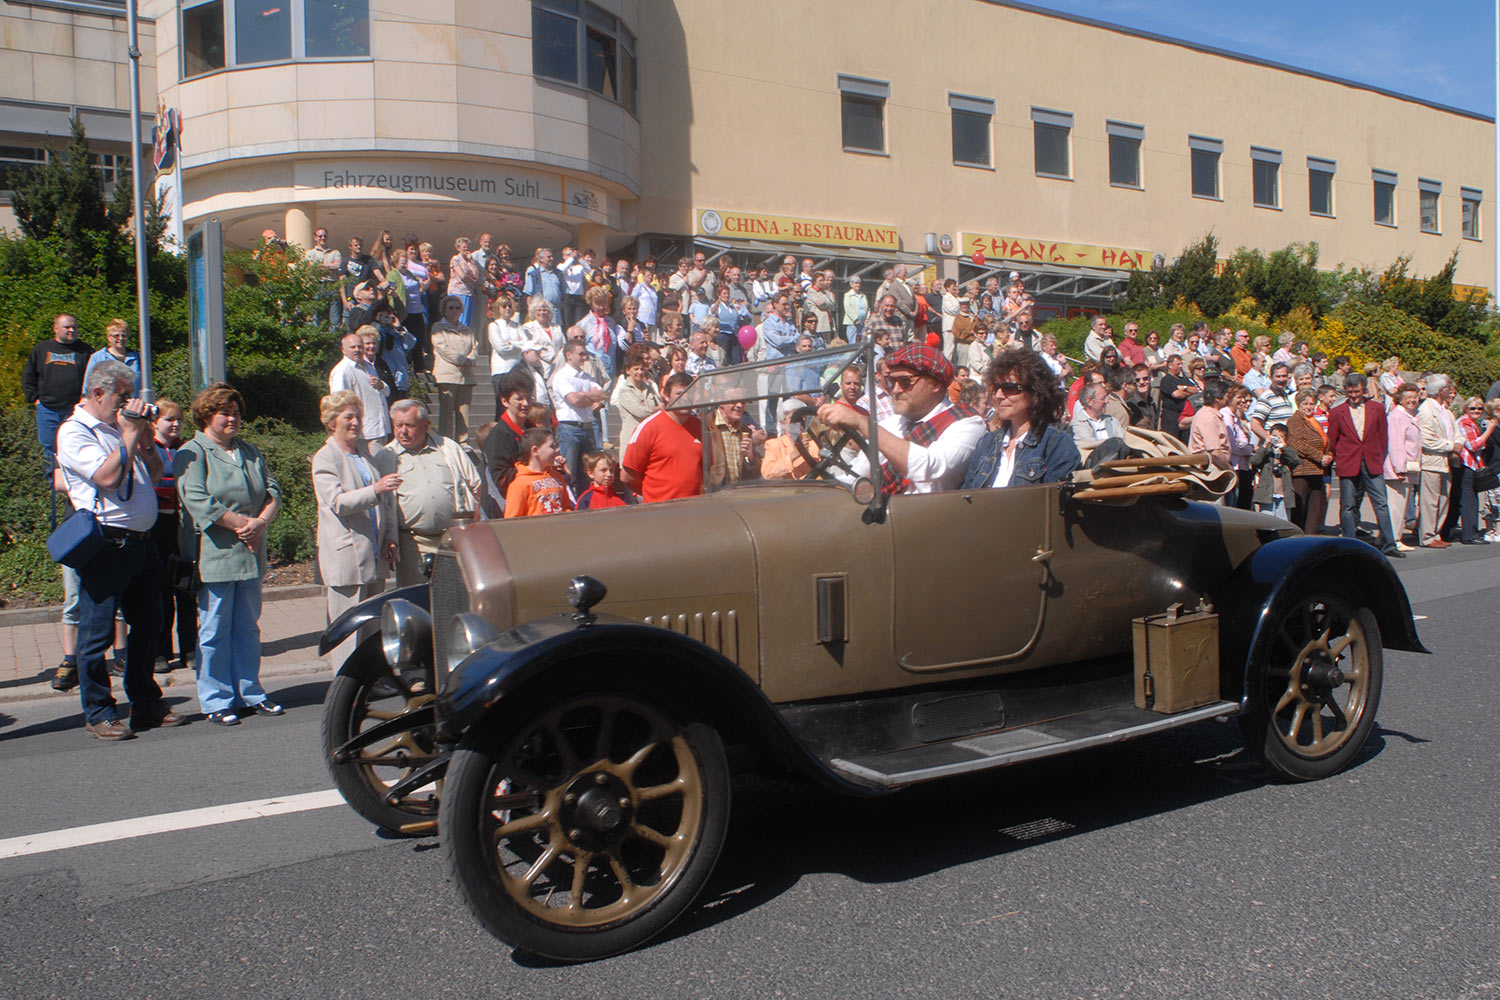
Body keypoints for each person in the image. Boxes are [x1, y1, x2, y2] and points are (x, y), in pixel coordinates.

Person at [55, 360, 180, 740]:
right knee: (97, 634)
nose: (127, 403)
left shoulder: (120, 427)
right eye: (122, 396)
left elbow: (155, 474)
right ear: (98, 393)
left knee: (149, 627)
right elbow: (108, 478)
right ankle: (98, 711)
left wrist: (142, 437)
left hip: (142, 543)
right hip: (108, 544)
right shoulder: (76, 431)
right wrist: (128, 433)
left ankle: (145, 703)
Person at [173, 383, 283, 726]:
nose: (233, 419)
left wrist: (261, 522)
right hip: (216, 552)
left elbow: (272, 488)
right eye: (226, 414)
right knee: (215, 628)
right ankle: (216, 698)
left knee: (247, 627)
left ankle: (250, 691)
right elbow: (197, 499)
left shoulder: (248, 450)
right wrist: (241, 524)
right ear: (207, 416)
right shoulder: (193, 452)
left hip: (251, 550)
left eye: (237, 413)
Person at [818, 344, 985, 494]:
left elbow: (929, 468)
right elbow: (855, 476)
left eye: (905, 381)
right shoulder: (892, 424)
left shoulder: (968, 423)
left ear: (935, 384)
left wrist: (863, 423)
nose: (895, 390)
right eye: (891, 381)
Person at [312, 391, 399, 666]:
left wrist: (390, 537)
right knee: (347, 628)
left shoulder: (365, 453)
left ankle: (371, 679)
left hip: (374, 552)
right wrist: (375, 489)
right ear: (331, 422)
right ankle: (345, 684)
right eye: (348, 417)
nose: (355, 422)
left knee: (373, 624)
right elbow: (337, 502)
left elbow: (385, 502)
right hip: (346, 556)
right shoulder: (325, 458)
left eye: (358, 417)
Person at [378, 399, 481, 584]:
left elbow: (475, 486)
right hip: (412, 544)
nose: (403, 431)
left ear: (425, 425)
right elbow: (380, 504)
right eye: (398, 425)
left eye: (409, 425)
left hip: (451, 540)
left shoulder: (448, 447)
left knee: (452, 595)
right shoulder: (385, 456)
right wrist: (387, 538)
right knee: (416, 599)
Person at [962, 348, 1079, 488]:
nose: (998, 395)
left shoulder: (1057, 445)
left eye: (1009, 388)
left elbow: (1054, 505)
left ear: (1036, 392)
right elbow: (966, 498)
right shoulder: (986, 444)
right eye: (995, 387)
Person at [1326, 373, 1402, 557]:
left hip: (1372, 461)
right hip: (1348, 461)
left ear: (1364, 390)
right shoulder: (1337, 412)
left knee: (1381, 504)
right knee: (1348, 505)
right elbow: (1332, 439)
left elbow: (1383, 436)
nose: (1353, 396)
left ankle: (1389, 544)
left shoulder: (1376, 408)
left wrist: (1377, 454)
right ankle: (1350, 543)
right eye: (1350, 392)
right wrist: (1340, 456)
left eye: (1357, 391)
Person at [150, 400, 196, 674]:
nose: (175, 424)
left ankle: (189, 649)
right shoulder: (148, 448)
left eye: (178, 419)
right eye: (169, 419)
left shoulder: (185, 449)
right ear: (155, 422)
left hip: (183, 526)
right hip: (157, 526)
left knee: (186, 589)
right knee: (161, 592)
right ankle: (161, 652)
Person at [623, 372, 703, 502]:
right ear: (665, 396)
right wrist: (653, 495)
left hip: (693, 509)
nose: (686, 397)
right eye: (679, 393)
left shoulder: (700, 427)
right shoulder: (649, 428)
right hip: (659, 512)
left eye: (690, 393)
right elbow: (627, 476)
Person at [23, 313, 93, 462]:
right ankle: (54, 482)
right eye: (67, 327)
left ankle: (71, 482)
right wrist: (35, 399)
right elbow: (29, 375)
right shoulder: (42, 349)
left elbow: (94, 378)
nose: (72, 330)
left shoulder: (85, 351)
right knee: (50, 449)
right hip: (48, 409)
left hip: (74, 410)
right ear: (55, 328)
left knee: (75, 446)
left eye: (74, 327)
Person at [550, 340, 607, 489]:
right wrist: (589, 397)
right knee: (570, 472)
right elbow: (574, 399)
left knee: (588, 472)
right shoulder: (562, 376)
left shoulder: (586, 377)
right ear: (569, 355)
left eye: (585, 354)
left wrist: (583, 396)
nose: (584, 357)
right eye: (581, 354)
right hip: (570, 428)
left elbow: (601, 395)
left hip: (588, 427)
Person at [1417, 375, 1461, 548]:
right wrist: (1451, 446)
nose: (1450, 390)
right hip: (1432, 462)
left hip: (1446, 461)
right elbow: (1426, 439)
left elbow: (1457, 432)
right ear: (1440, 390)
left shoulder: (1446, 410)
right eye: (1448, 387)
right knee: (1430, 501)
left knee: (1444, 498)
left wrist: (1458, 443)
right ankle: (1427, 536)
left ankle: (1436, 532)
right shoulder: (1427, 410)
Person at [430, 294, 481, 443]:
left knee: (464, 414)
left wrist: (470, 360)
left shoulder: (467, 329)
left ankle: (463, 442)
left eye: (457, 308)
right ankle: (445, 442)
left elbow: (475, 347)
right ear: (444, 310)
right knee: (446, 414)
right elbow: (442, 348)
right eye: (451, 308)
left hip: (466, 376)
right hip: (447, 375)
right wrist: (461, 360)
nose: (454, 310)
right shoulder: (438, 327)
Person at [329, 329, 391, 443]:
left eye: (359, 347)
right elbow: (339, 405)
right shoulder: (342, 371)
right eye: (352, 347)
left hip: (381, 428)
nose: (357, 350)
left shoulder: (367, 366)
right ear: (343, 350)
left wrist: (381, 385)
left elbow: (387, 392)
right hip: (364, 433)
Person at [1285, 388, 1331, 534]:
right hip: (1301, 471)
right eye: (1305, 404)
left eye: (1312, 403)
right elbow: (1297, 444)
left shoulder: (1314, 421)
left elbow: (1326, 442)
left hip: (1317, 471)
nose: (1309, 407)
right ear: (1299, 404)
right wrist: (1320, 457)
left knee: (1314, 511)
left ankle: (1311, 538)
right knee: (1300, 509)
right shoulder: (1294, 421)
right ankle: (1297, 539)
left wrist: (1329, 455)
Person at [1384, 382, 1422, 550]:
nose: (1412, 400)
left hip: (1409, 467)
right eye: (1408, 397)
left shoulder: (1411, 415)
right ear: (1400, 399)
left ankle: (1392, 537)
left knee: (1402, 504)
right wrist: (1399, 468)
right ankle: (1394, 539)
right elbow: (1396, 443)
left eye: (1415, 397)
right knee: (1396, 506)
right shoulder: (1397, 416)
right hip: (1399, 468)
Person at [504, 426, 574, 517]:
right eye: (552, 446)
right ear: (535, 450)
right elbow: (511, 520)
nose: (557, 449)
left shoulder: (558, 477)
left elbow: (567, 507)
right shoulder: (519, 484)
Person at [1455, 396, 1498, 544]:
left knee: (1472, 500)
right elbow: (1473, 445)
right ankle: (1469, 535)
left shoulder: (1473, 423)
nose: (1476, 411)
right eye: (1472, 408)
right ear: (1466, 408)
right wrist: (1490, 430)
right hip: (1466, 465)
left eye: (1479, 408)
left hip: (1473, 464)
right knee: (1469, 501)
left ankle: (1471, 533)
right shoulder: (1465, 422)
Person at [612, 343, 663, 445]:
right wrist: (658, 408)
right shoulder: (625, 390)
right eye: (636, 369)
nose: (639, 372)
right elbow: (641, 412)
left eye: (642, 369)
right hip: (632, 437)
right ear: (628, 370)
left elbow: (659, 404)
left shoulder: (650, 388)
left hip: (650, 436)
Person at [1249, 424, 1301, 519]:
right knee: (1267, 522)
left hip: (1283, 494)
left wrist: (1284, 447)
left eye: (1280, 437)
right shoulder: (1266, 452)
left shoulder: (1287, 452)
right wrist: (1265, 445)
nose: (1276, 439)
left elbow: (1296, 461)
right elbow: (1254, 461)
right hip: (1267, 494)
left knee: (1283, 522)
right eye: (1274, 436)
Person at [83, 318, 142, 395]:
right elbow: (88, 384)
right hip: (107, 404)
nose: (120, 338)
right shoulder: (97, 357)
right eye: (116, 335)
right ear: (109, 337)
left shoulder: (137, 357)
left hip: (133, 404)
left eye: (124, 335)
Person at [1187, 380, 1231, 471]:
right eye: (1227, 395)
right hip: (1210, 470)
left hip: (1217, 467)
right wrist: (1229, 470)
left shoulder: (1213, 415)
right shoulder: (1208, 417)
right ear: (1218, 398)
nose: (1229, 399)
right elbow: (1214, 452)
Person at [843, 276, 868, 341]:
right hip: (852, 323)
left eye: (859, 283)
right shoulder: (847, 295)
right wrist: (855, 319)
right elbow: (847, 308)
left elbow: (867, 308)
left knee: (862, 341)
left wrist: (867, 318)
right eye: (855, 283)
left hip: (863, 323)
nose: (857, 285)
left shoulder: (863, 295)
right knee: (853, 341)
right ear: (851, 284)